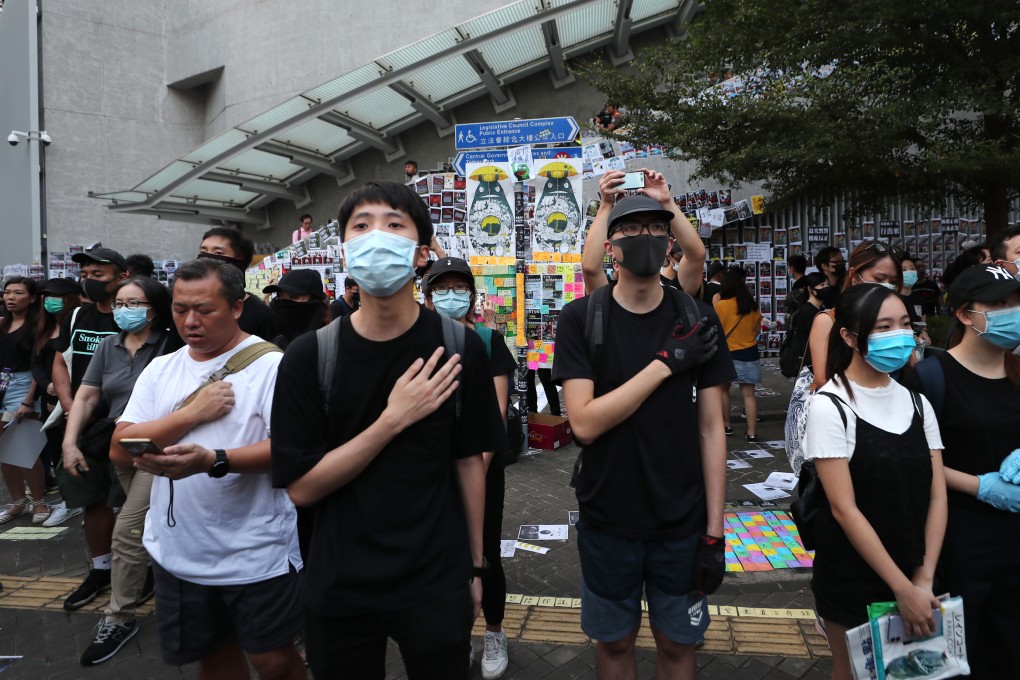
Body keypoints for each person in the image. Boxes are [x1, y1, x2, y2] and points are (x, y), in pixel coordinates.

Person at [271, 181, 503, 678]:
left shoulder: (461, 348)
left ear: (421, 254)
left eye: (394, 224)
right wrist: (393, 420)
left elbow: (469, 461)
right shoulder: (309, 357)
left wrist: (477, 565)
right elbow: (302, 488)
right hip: (339, 582)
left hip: (436, 576)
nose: (377, 235)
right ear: (344, 249)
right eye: (362, 225)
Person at [553, 194, 734, 679]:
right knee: (614, 646)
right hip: (607, 519)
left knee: (679, 646)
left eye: (656, 229)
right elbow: (585, 424)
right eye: (631, 231)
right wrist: (665, 364)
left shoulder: (695, 318)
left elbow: (713, 427)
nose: (645, 239)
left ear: (670, 241)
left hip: (682, 523)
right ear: (610, 245)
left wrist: (715, 532)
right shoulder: (580, 318)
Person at [113, 258, 304, 678]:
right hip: (178, 551)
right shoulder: (163, 368)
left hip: (256, 550)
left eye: (204, 309)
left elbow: (292, 450)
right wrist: (191, 415)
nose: (190, 321)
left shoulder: (272, 367)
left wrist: (214, 460)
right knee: (214, 659)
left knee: (273, 660)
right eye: (180, 310)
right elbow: (117, 447)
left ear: (237, 307)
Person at [803, 283, 946, 679]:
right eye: (883, 327)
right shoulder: (829, 406)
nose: (899, 335)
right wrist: (902, 589)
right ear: (849, 336)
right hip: (853, 579)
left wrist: (924, 577)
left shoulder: (918, 403)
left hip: (920, 571)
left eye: (904, 324)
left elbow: (937, 496)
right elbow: (844, 510)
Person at [902, 263, 1020, 678]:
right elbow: (915, 461)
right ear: (965, 314)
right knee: (962, 656)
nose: (1013, 311)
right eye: (999, 304)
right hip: (961, 536)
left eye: (1017, 302)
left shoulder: (1017, 369)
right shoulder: (931, 377)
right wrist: (980, 486)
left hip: (1015, 537)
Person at [424, 256, 516, 679]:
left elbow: (494, 416)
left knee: (485, 554)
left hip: (481, 467)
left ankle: (493, 632)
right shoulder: (419, 342)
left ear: (473, 295)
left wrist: (473, 470)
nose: (451, 295)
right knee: (441, 555)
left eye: (460, 287)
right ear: (427, 297)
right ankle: (454, 637)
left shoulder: (488, 340)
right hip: (430, 473)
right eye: (442, 288)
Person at [71, 277, 171, 665]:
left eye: (135, 302)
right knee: (149, 523)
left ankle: (120, 616)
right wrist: (69, 441)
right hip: (117, 450)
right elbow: (87, 394)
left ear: (154, 307)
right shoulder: (108, 347)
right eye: (119, 303)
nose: (125, 310)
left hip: (157, 448)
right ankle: (159, 585)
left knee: (128, 530)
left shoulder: (170, 344)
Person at [53, 247, 130, 610]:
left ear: (122, 277)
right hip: (84, 425)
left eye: (99, 274)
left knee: (130, 504)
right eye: (86, 274)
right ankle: (100, 569)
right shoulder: (77, 315)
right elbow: (60, 359)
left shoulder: (132, 316)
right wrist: (71, 406)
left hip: (125, 425)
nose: (90, 280)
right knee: (91, 500)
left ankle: (138, 573)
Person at [582, 170, 706, 296]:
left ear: (669, 245)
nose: (645, 234)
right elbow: (590, 268)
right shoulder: (602, 302)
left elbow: (696, 255)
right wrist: (605, 204)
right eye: (630, 227)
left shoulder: (679, 298)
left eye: (656, 226)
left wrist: (666, 201)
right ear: (610, 248)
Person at [164, 227, 278, 352]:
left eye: (218, 253)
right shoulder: (185, 311)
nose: (191, 321)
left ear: (236, 308)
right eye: (203, 251)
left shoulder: (261, 314)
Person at [807, 241, 902, 388]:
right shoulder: (828, 321)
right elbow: (823, 379)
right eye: (879, 279)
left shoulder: (898, 323)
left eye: (893, 281)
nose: (887, 286)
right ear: (854, 276)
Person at [34, 278, 83, 527]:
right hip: (49, 399)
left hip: (74, 399)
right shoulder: (43, 327)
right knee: (56, 451)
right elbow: (37, 363)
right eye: (46, 296)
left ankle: (81, 500)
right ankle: (68, 499)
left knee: (77, 449)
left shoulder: (77, 323)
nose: (49, 300)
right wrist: (46, 385)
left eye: (55, 295)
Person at [0, 278, 49, 524]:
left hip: (25, 386)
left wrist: (29, 401)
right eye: (7, 292)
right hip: (2, 385)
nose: (10, 297)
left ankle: (39, 501)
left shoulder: (38, 326)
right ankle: (18, 502)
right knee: (3, 450)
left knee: (24, 448)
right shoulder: (1, 323)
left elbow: (37, 366)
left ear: (32, 298)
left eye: (18, 293)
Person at [713, 267, 766, 442]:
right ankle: (751, 433)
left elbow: (717, 330)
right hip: (749, 352)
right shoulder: (752, 306)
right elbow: (757, 329)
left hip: (727, 353)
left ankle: (726, 425)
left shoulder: (721, 305)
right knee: (749, 395)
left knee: (723, 390)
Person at [263, 269, 328, 349]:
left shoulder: (330, 346)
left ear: (314, 301)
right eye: (279, 296)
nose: (283, 303)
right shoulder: (275, 345)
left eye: (293, 297)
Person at [790, 273, 834, 371]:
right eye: (821, 285)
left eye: (827, 284)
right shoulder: (807, 311)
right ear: (810, 289)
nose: (826, 287)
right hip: (812, 363)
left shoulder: (820, 309)